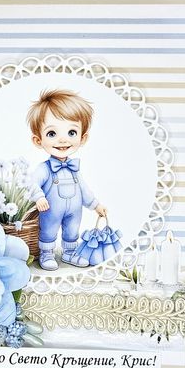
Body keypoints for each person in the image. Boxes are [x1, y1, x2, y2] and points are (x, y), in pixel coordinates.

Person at [27, 89, 107, 271]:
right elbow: (32, 183)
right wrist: (39, 197)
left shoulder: (74, 169)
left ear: (82, 138)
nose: (63, 140)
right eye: (52, 134)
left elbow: (84, 189)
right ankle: (47, 253)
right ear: (38, 140)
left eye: (71, 132)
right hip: (51, 210)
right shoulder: (44, 168)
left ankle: (69, 252)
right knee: (48, 229)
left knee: (72, 229)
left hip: (75, 209)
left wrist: (95, 205)